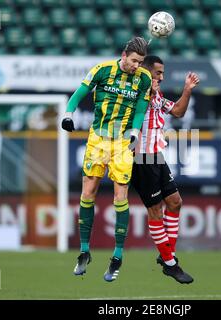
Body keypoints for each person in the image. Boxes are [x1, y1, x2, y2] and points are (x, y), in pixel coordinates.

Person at [61, 37, 152, 282]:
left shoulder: (144, 78)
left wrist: (134, 131)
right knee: (88, 193)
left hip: (122, 142)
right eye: (134, 60)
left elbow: (141, 109)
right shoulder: (102, 70)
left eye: (140, 62)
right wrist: (68, 114)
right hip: (98, 140)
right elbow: (79, 93)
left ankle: (117, 255)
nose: (137, 65)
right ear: (124, 55)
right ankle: (83, 251)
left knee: (120, 196)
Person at [131, 55, 200, 284]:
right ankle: (171, 264)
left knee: (175, 202)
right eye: (158, 72)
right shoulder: (136, 90)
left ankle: (166, 255)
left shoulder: (157, 94)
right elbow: (137, 106)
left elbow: (178, 112)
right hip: (140, 159)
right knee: (155, 212)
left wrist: (187, 89)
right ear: (147, 72)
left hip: (156, 157)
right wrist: (147, 87)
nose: (162, 76)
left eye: (162, 72)